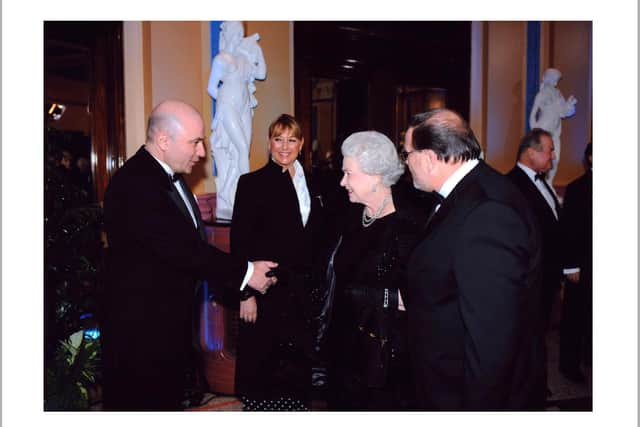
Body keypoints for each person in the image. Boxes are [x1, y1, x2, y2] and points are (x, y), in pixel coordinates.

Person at [101, 100, 277, 411]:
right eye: (194, 142)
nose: (202, 153)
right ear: (164, 141)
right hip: (141, 335)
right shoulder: (136, 184)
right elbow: (184, 250)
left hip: (165, 327)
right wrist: (246, 272)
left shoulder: (170, 175)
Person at [404, 108, 545, 410]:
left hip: (462, 393)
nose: (407, 163)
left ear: (429, 157)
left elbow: (492, 340)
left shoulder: (487, 212)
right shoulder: (468, 192)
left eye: (408, 154)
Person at [319, 131, 423, 410]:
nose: (342, 182)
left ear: (376, 175)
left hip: (382, 358)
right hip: (343, 348)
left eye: (348, 174)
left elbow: (416, 298)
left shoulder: (408, 226)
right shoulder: (351, 213)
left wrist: (367, 295)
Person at [231, 114, 323, 411]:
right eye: (278, 139)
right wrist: (245, 294)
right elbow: (239, 244)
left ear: (302, 144)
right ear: (269, 143)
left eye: (292, 139)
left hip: (304, 295)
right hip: (265, 291)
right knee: (263, 375)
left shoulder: (318, 182)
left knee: (297, 378)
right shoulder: (251, 183)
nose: (285, 147)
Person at [208, 21, 267, 220]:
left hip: (243, 108)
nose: (238, 36)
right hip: (228, 107)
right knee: (241, 148)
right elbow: (211, 88)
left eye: (240, 32)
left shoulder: (243, 58)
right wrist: (225, 100)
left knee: (244, 149)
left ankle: (241, 193)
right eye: (236, 32)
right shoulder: (221, 59)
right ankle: (248, 196)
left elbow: (261, 73)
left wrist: (258, 52)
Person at [507, 129, 562, 333]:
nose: (554, 156)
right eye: (550, 150)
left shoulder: (543, 182)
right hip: (529, 280)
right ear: (531, 153)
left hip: (547, 276)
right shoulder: (511, 184)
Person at [559, 142, 592, 383]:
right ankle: (569, 366)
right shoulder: (577, 188)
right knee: (574, 317)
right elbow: (569, 231)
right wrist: (571, 266)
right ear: (590, 158)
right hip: (581, 265)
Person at [529, 68, 577, 187]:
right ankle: (539, 186)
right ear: (548, 78)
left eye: (557, 78)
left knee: (555, 160)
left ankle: (548, 184)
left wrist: (570, 106)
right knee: (541, 161)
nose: (556, 80)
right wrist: (534, 131)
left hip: (555, 133)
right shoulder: (542, 94)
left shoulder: (558, 93)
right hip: (543, 130)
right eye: (555, 78)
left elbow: (563, 112)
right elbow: (533, 114)